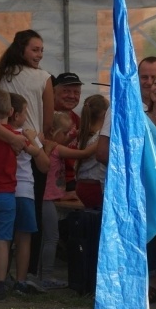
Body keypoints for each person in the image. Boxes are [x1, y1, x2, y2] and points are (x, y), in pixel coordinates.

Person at [0, 29, 53, 281]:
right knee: (31, 215)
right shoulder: (43, 77)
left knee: (3, 214)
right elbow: (47, 122)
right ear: (22, 49)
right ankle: (26, 273)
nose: (39, 55)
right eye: (35, 49)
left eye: (41, 50)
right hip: (31, 145)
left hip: (2, 143)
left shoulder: (0, 76)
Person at [0, 89, 43, 302]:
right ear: (12, 111)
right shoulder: (17, 138)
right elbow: (37, 155)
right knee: (2, 240)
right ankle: (1, 282)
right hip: (7, 194)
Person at [39, 112, 97, 288]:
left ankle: (40, 273)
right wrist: (102, 139)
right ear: (54, 132)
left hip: (48, 196)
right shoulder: (56, 149)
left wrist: (74, 133)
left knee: (45, 238)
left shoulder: (49, 146)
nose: (68, 137)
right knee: (51, 238)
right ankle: (46, 276)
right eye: (65, 133)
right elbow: (84, 154)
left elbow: (64, 140)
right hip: (47, 199)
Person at [8, 93, 50, 295]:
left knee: (3, 237)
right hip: (24, 190)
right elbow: (44, 165)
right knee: (24, 238)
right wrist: (34, 140)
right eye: (25, 112)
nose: (26, 116)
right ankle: (21, 280)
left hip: (3, 190)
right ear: (15, 115)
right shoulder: (26, 136)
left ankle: (0, 277)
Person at [74, 94, 110, 209]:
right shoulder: (101, 137)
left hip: (81, 184)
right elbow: (98, 152)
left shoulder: (83, 133)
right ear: (106, 114)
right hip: (95, 186)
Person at [52, 72, 83, 192]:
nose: (71, 96)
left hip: (73, 180)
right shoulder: (47, 118)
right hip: (53, 181)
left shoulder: (78, 120)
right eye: (66, 91)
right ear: (54, 92)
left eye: (76, 92)